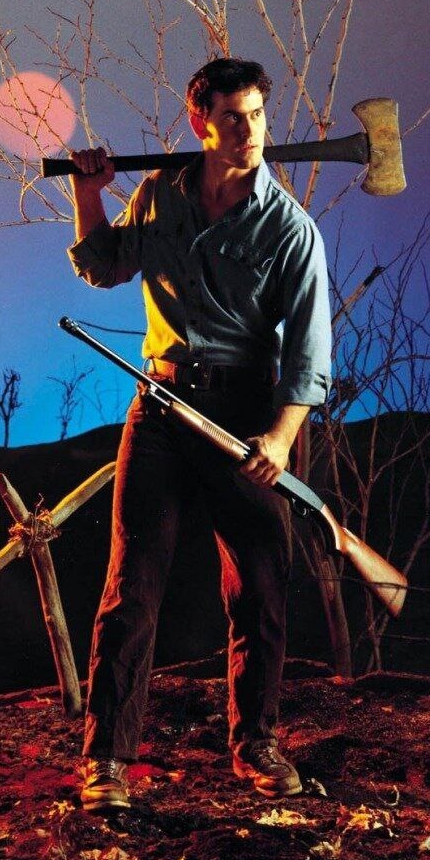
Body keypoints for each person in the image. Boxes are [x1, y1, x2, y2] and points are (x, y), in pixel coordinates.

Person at [67, 58, 331, 811]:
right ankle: (106, 760)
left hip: (244, 417)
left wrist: (279, 439)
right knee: (131, 587)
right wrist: (89, 193)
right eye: (233, 117)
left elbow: (310, 355)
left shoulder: (290, 229)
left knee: (260, 585)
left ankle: (257, 744)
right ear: (199, 122)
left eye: (258, 115)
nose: (250, 132)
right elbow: (104, 266)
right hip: (159, 405)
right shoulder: (160, 195)